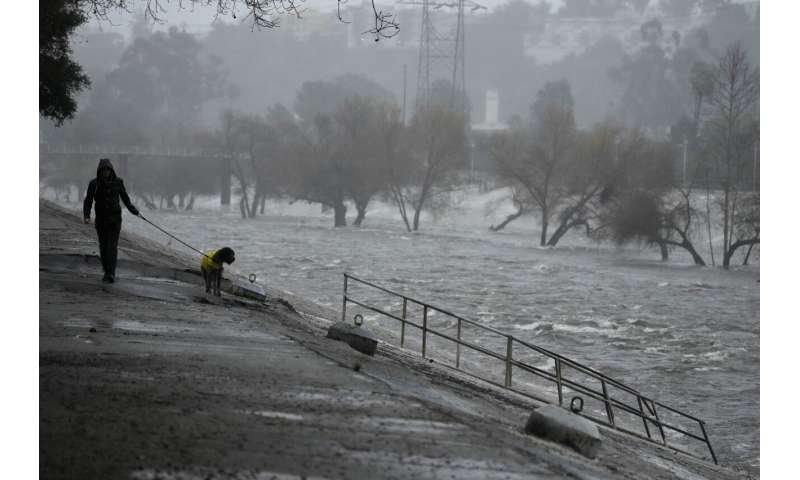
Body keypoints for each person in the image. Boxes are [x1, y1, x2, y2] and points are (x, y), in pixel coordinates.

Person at [83, 158, 140, 283]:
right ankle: (106, 271)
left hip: (115, 220)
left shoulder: (118, 182)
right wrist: (86, 215)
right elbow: (88, 201)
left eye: (107, 170)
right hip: (101, 220)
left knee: (112, 247)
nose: (105, 172)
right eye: (103, 170)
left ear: (111, 170)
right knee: (103, 247)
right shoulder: (94, 184)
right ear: (99, 171)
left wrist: (134, 211)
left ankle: (111, 273)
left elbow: (125, 199)